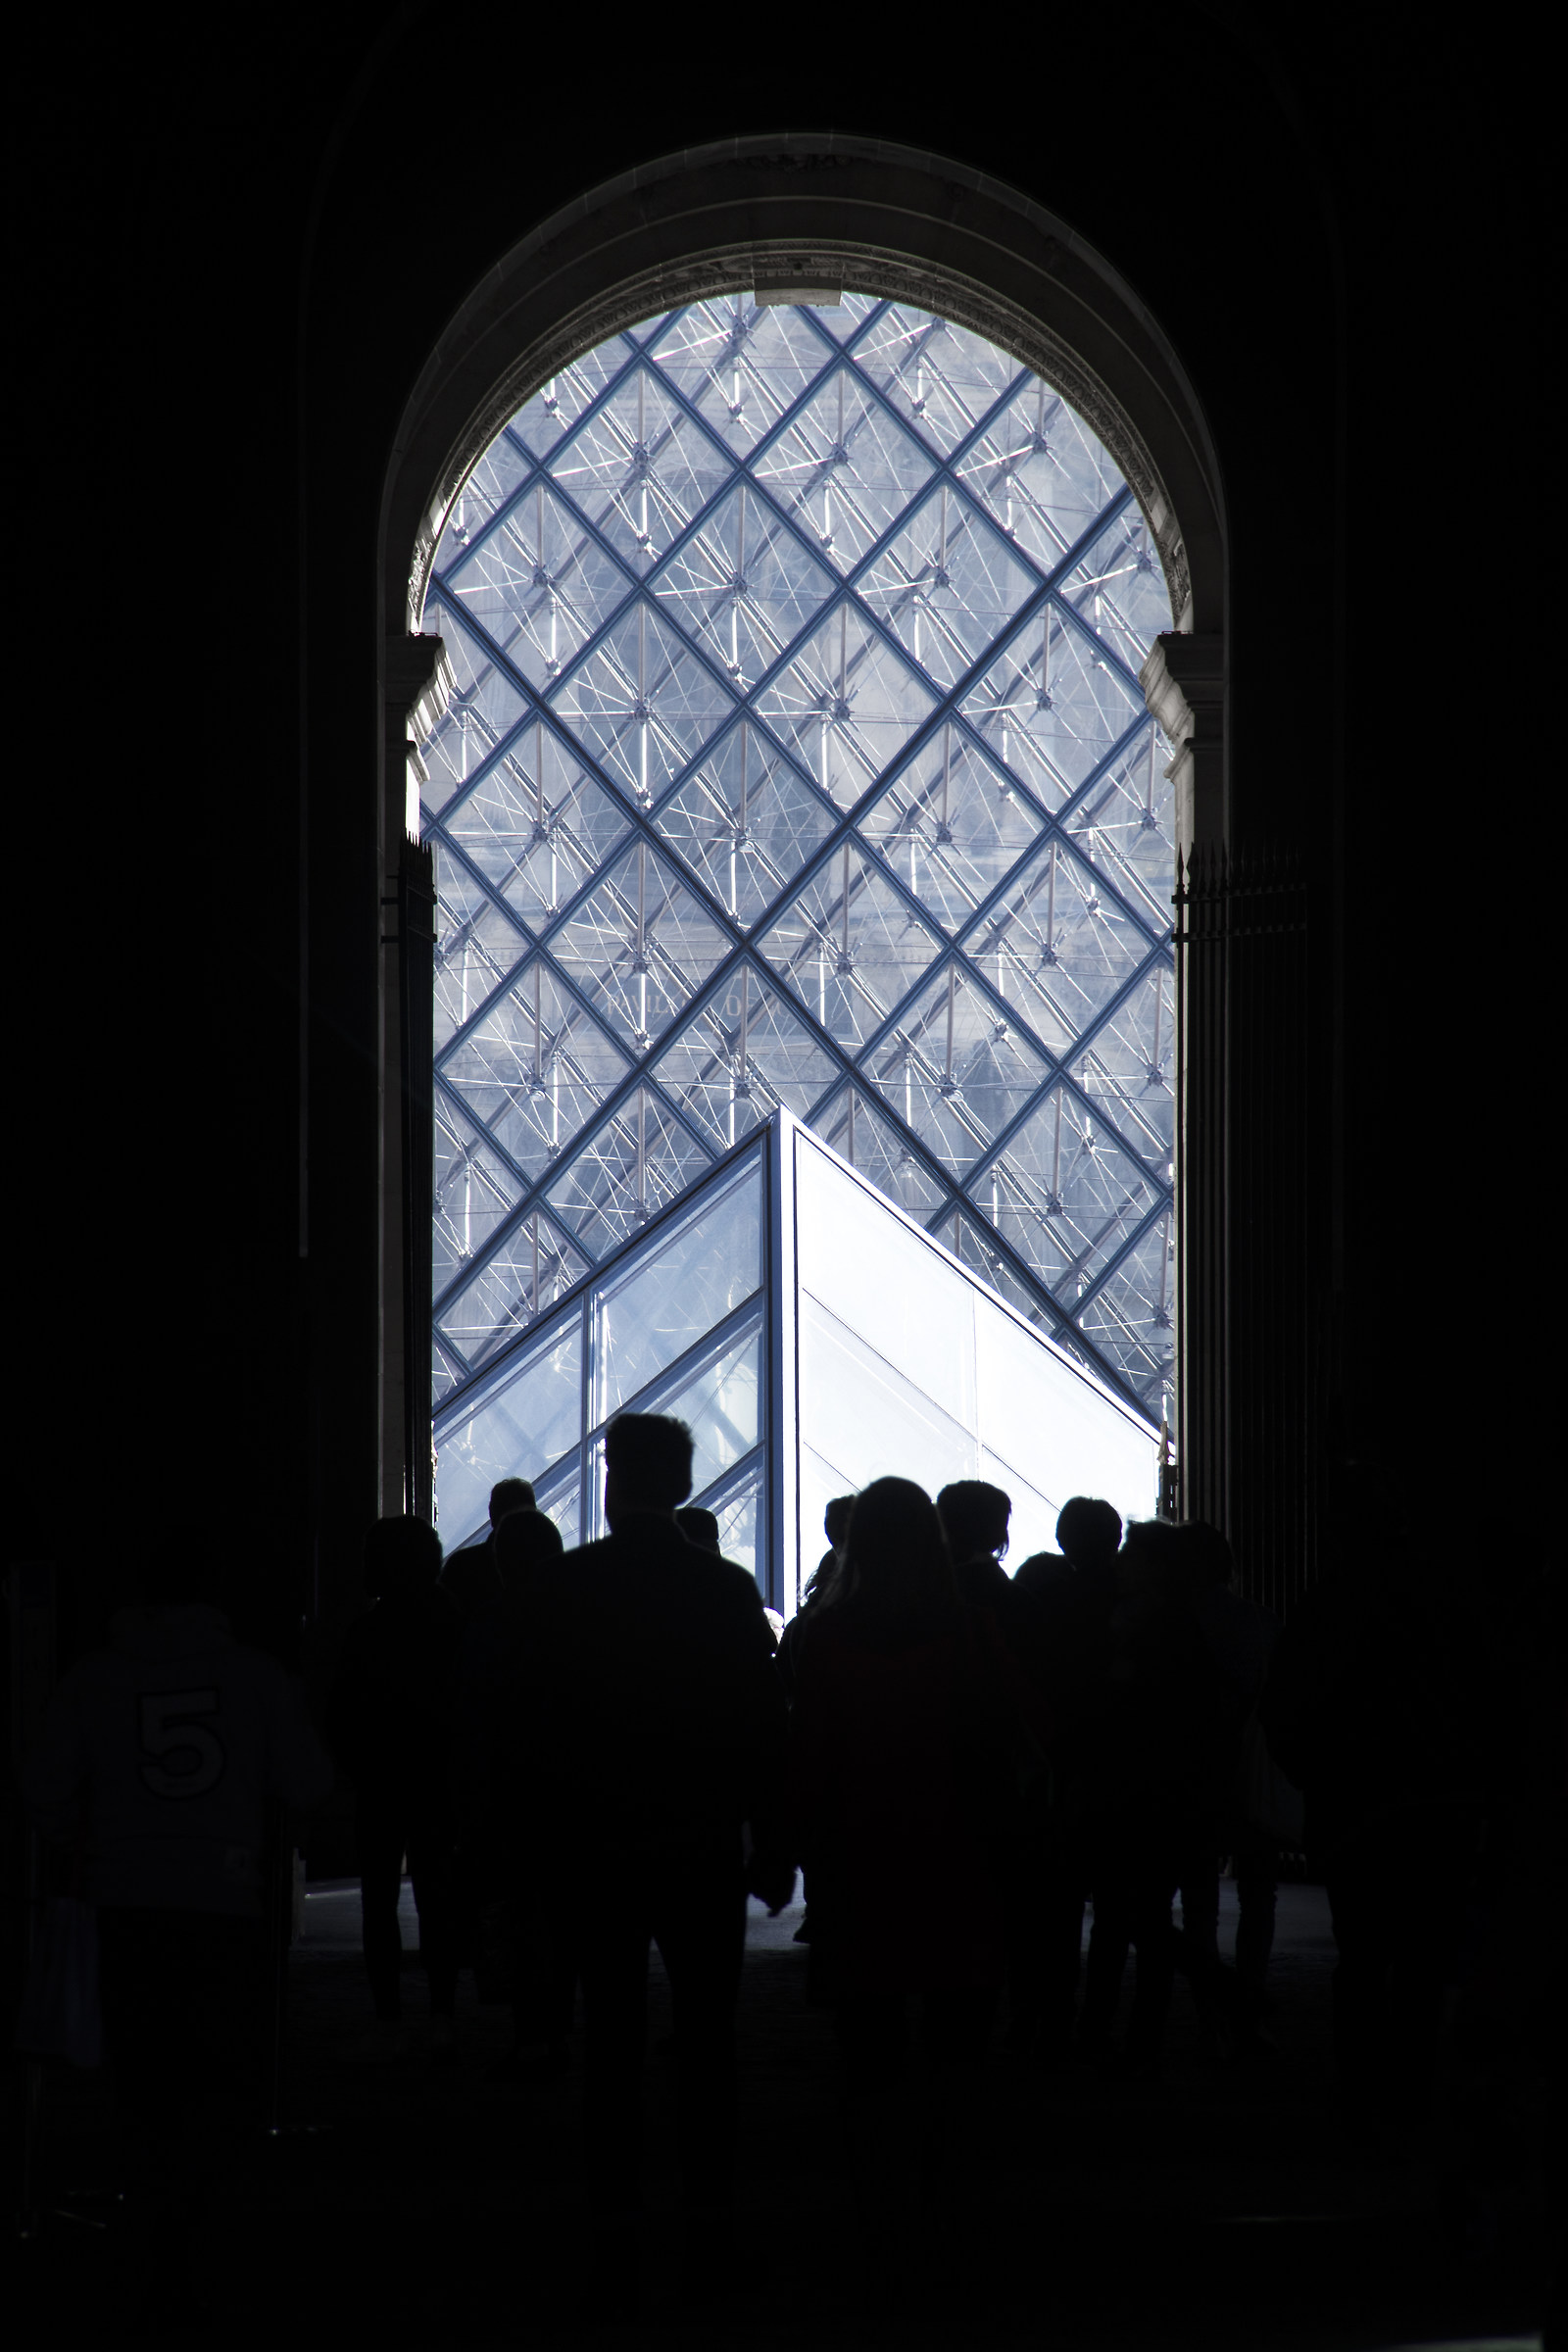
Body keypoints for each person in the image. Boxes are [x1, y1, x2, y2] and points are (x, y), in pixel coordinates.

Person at [512, 1412, 792, 2316]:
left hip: (595, 1847)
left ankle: (615, 2225)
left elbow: (532, 1728)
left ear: (612, 1482)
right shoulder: (725, 1588)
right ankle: (709, 2222)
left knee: (611, 2041)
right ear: (682, 1483)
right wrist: (772, 1842)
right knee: (708, 2042)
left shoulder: (564, 1586)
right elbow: (762, 1725)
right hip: (699, 1844)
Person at [25, 1542, 333, 2321]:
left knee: (141, 2072)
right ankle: (202, 2225)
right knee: (219, 2070)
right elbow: (306, 1779)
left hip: (125, 1896)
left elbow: (47, 1788)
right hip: (225, 1898)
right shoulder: (254, 1676)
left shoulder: (94, 1678)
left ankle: (152, 2218)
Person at [789, 1478, 1011, 2282]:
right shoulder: (972, 1633)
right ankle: (952, 2211)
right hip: (958, 1863)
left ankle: (880, 2219)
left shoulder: (825, 1639)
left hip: (863, 1865)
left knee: (869, 2055)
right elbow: (1002, 1751)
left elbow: (809, 1762)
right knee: (960, 2053)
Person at [326, 1515, 466, 2062]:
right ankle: (443, 2012)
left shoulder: (368, 1632)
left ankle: (389, 2017)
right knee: (438, 1898)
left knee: (379, 1902)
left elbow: (343, 1713)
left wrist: (357, 1768)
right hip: (437, 1781)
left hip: (382, 1781)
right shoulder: (454, 1623)